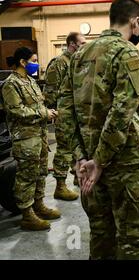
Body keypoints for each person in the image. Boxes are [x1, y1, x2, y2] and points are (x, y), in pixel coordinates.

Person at [58, 0, 139, 260]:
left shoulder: (79, 56)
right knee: (133, 240)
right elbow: (122, 112)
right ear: (135, 22)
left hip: (88, 167)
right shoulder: (128, 52)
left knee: (101, 238)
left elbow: (66, 113)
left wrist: (81, 157)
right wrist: (100, 161)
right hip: (125, 166)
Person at [2, 47, 60, 231]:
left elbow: (39, 103)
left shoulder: (31, 82)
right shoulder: (11, 84)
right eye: (34, 60)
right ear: (22, 62)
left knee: (41, 172)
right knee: (26, 176)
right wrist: (45, 113)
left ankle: (39, 205)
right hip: (25, 139)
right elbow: (16, 110)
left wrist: (49, 112)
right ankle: (27, 215)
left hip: (39, 136)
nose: (36, 64)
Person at [44, 32, 86, 201]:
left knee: (78, 145)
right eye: (82, 43)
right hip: (64, 112)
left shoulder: (78, 61)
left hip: (77, 111)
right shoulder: (59, 63)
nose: (84, 45)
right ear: (72, 44)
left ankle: (78, 176)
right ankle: (60, 186)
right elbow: (50, 91)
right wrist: (55, 112)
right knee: (64, 149)